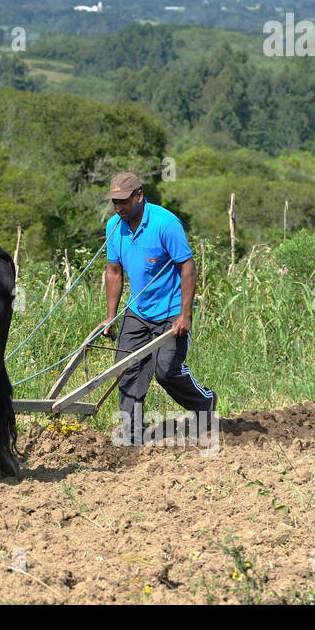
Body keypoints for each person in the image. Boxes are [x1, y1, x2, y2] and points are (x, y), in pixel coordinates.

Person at [92, 172, 216, 446]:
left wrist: (185, 314)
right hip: (137, 311)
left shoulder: (165, 224)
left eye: (123, 201)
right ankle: (133, 435)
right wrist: (111, 317)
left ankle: (205, 402)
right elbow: (113, 272)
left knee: (166, 370)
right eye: (114, 202)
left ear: (139, 196)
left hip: (171, 311)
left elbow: (188, 268)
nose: (118, 208)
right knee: (126, 370)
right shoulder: (115, 226)